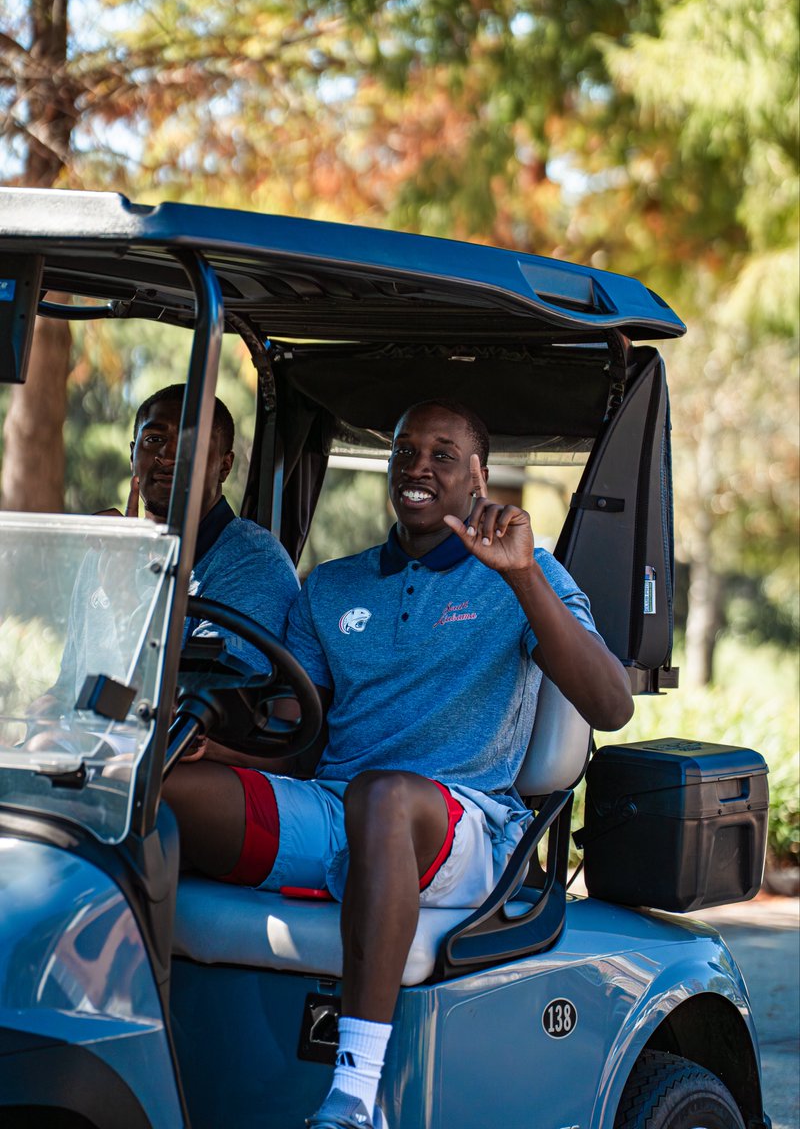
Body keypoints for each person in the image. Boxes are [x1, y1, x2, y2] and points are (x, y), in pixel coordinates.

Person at [163, 399, 634, 1129]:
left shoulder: (526, 576)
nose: (418, 466)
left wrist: (521, 579)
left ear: (478, 474)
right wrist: (211, 747)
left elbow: (610, 704)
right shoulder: (331, 586)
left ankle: (355, 1097)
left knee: (382, 798)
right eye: (404, 451)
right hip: (337, 810)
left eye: (442, 454)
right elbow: (298, 739)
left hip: (466, 823)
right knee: (159, 789)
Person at [28, 384, 299, 746]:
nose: (168, 455)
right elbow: (73, 684)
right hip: (93, 749)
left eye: (191, 442)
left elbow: (198, 716)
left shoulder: (251, 562)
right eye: (154, 439)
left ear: (224, 465)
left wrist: (125, 596)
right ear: (132, 454)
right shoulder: (106, 552)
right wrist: (45, 710)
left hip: (172, 762)